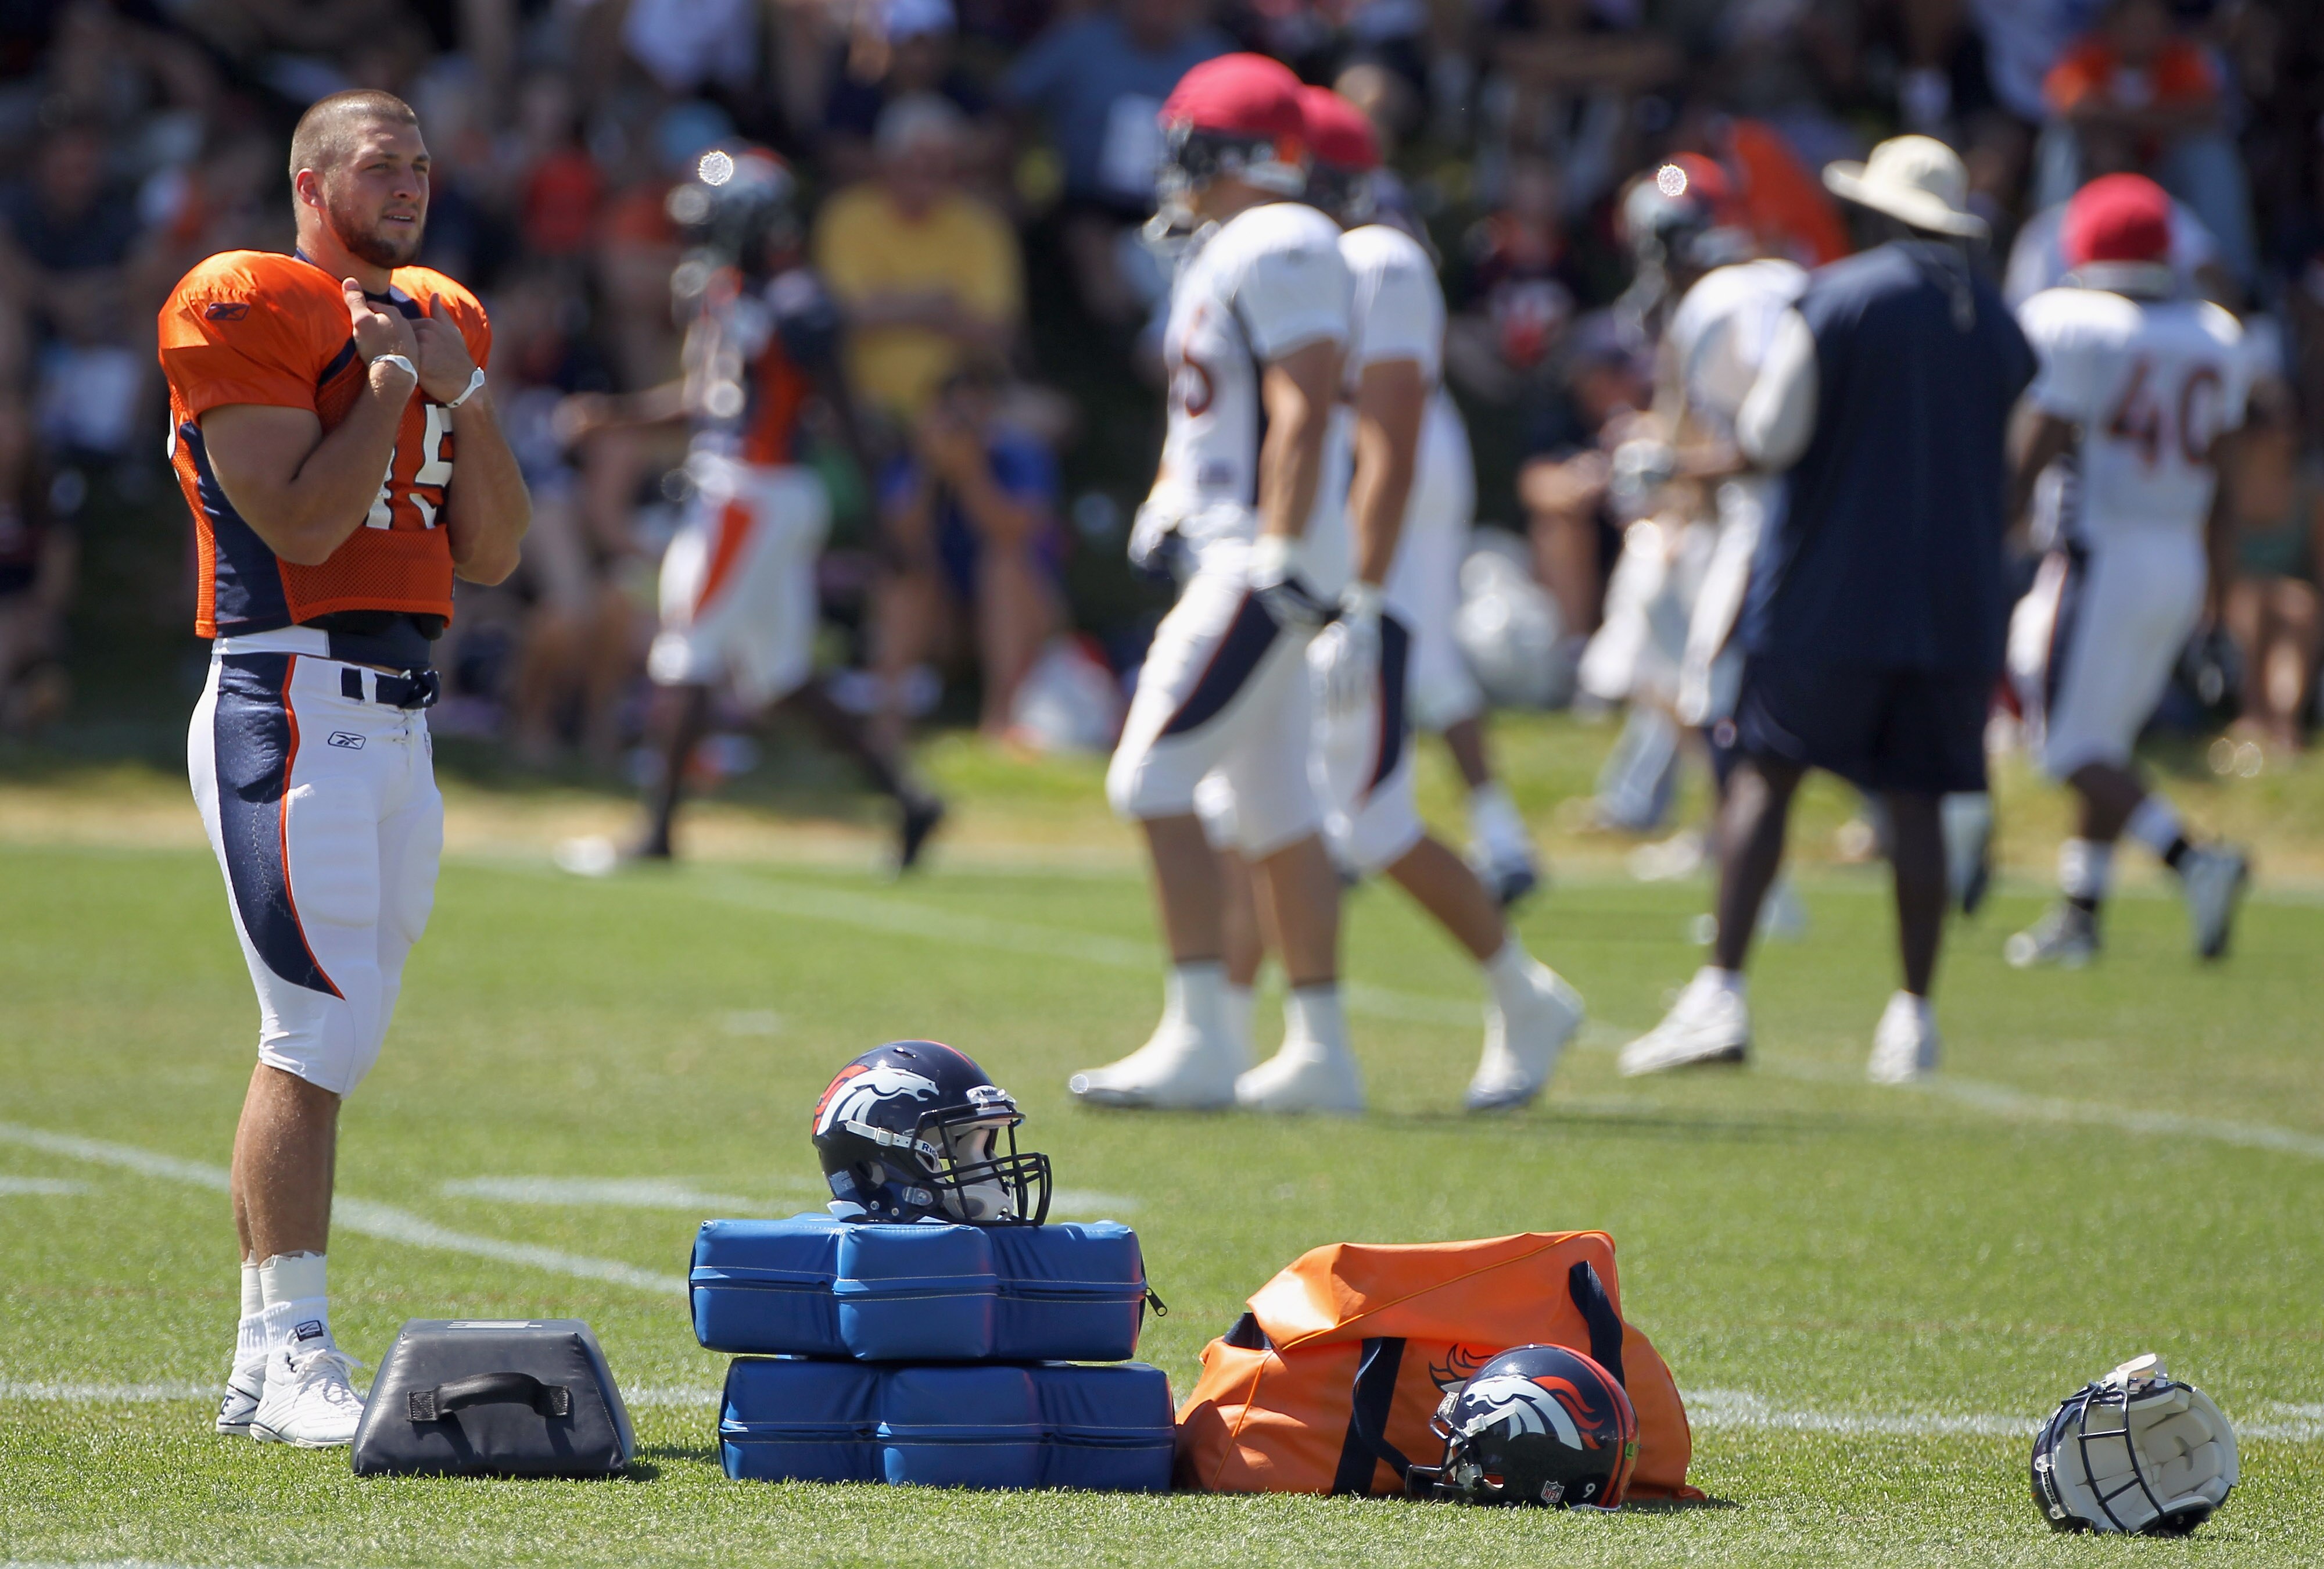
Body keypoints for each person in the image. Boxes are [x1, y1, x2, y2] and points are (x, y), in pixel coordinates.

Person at [158, 89, 530, 1446]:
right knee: (308, 1033)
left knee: (337, 1039)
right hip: (289, 691)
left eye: (425, 164)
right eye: (384, 165)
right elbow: (307, 517)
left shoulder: (444, 314)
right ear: (313, 181)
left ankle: (264, 1358)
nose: (412, 186)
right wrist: (383, 377)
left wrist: (458, 390)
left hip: (400, 715)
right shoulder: (242, 295)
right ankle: (301, 1345)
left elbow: (489, 547)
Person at [1619, 136, 2036, 1086]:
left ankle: (1720, 991)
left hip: (1833, 580)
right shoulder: (2000, 321)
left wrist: (1691, 463)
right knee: (1918, 800)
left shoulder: (1842, 297)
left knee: (1765, 769)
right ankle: (1914, 1019)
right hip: (1957, 593)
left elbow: (1773, 435)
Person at [1216, 87, 1583, 1113]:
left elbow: (1387, 444)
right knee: (1262, 800)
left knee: (1364, 820)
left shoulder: (1376, 260)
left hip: (1376, 580)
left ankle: (1524, 992)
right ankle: (1240, 1029)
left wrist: (1363, 599)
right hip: (1347, 571)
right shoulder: (1328, 262)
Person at [1067, 54, 1355, 1113]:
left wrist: (1278, 548)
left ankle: (1204, 1037)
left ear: (1225, 153)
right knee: (1276, 803)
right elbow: (1218, 410)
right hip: (1234, 542)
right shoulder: (1235, 247)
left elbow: (1303, 401)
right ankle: (1322, 1054)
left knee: (1150, 779)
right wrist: (1168, 501)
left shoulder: (1278, 237)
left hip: (1257, 556)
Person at [557, 148, 944, 868]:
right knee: (782, 675)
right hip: (748, 489)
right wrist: (619, 416)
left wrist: (881, 520)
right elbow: (710, 398)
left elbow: (846, 413)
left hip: (756, 491)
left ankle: (658, 834)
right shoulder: (731, 292)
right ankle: (909, 797)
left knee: (685, 655)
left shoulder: (799, 303)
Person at [2002, 173, 2253, 969]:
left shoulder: (2074, 321)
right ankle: (2082, 912)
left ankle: (2192, 860)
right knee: (2103, 739)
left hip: (2099, 548)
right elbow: (2224, 479)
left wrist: (1997, 515)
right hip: (2176, 550)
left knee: (2061, 745)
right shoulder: (2216, 333)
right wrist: (2218, 597)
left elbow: (2048, 426)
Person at [871, 359, 1067, 750]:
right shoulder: (911, 461)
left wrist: (971, 474)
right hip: (943, 620)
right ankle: (888, 717)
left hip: (1026, 614)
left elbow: (1013, 533)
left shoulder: (1022, 456)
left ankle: (1000, 720)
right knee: (908, 572)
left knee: (1003, 565)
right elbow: (899, 538)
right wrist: (929, 475)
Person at [812, 94, 1022, 422]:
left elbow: (998, 329)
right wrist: (941, 305)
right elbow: (847, 314)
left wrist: (890, 306)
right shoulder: (846, 217)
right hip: (868, 406)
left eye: (941, 163)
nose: (929, 173)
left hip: (973, 404)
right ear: (887, 161)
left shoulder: (983, 225)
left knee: (1046, 420)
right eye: (917, 161)